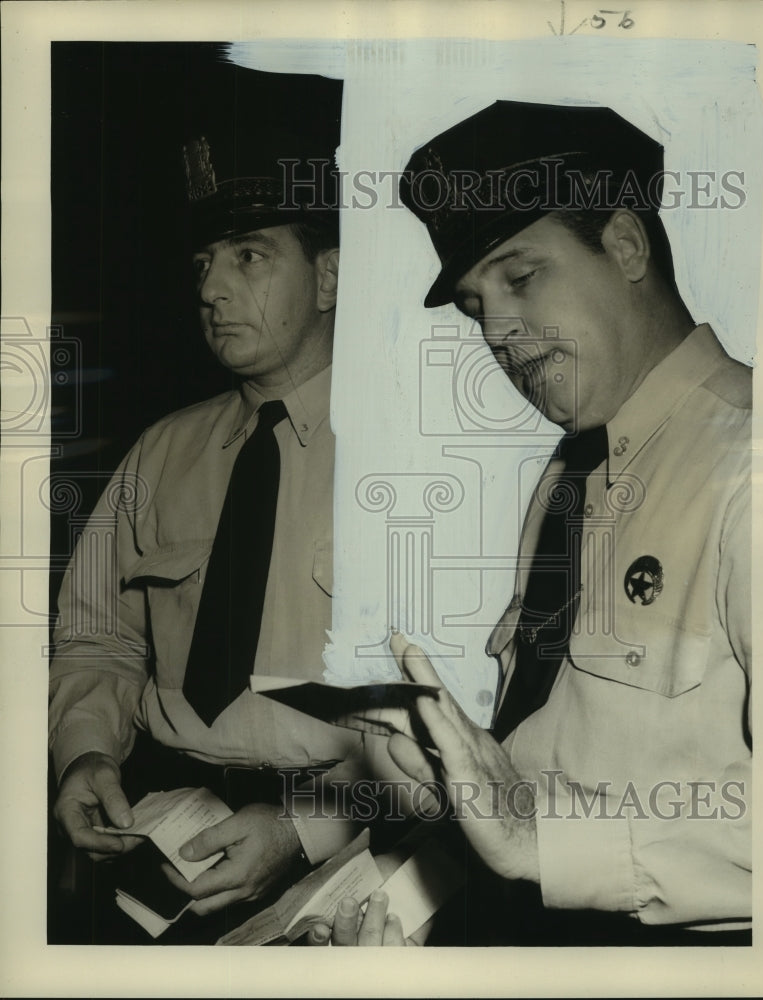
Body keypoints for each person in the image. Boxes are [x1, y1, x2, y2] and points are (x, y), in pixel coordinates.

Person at [315, 100, 752, 946]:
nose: (501, 333)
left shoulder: (758, 471)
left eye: (521, 277)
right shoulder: (571, 475)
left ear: (624, 245)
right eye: (477, 305)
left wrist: (535, 838)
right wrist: (450, 802)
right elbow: (556, 764)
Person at [47, 63, 387, 944]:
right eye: (203, 261)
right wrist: (86, 751)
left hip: (353, 855)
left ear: (331, 276)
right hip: (164, 835)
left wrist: (307, 822)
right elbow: (99, 633)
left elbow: (464, 713)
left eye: (248, 256)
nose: (209, 288)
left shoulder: (411, 459)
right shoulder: (163, 451)